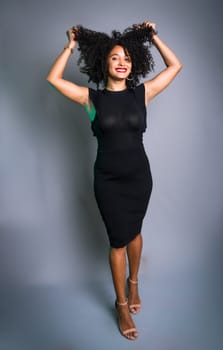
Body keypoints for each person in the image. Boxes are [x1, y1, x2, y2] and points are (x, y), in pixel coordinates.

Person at [46, 21, 182, 340]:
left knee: (134, 232)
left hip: (139, 177)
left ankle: (134, 284)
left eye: (127, 59)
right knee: (117, 240)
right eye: (115, 57)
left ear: (133, 64)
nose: (121, 62)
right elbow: (52, 79)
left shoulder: (142, 93)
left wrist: (153, 37)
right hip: (107, 180)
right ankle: (121, 303)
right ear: (104, 62)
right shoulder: (89, 99)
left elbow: (175, 65)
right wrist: (70, 45)